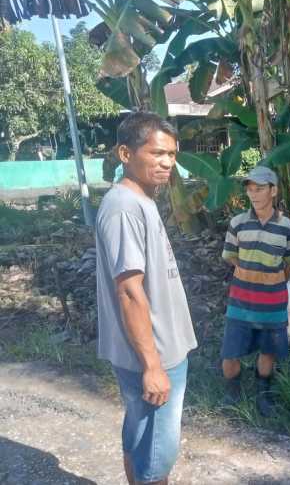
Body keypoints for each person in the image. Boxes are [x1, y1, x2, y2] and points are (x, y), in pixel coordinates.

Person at [96, 112, 197, 485]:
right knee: (157, 454)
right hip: (154, 354)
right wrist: (152, 366)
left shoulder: (139, 201)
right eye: (156, 153)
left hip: (152, 350)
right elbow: (128, 291)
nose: (167, 162)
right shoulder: (124, 207)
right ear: (126, 153)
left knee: (141, 438)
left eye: (171, 154)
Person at [220, 166, 290, 417]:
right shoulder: (237, 223)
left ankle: (263, 396)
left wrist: (271, 281)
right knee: (230, 352)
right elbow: (230, 257)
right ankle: (232, 393)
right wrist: (249, 273)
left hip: (273, 302)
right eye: (250, 189)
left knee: (269, 351)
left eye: (260, 189)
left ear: (273, 191)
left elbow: (289, 263)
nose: (253, 194)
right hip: (241, 301)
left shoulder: (287, 227)